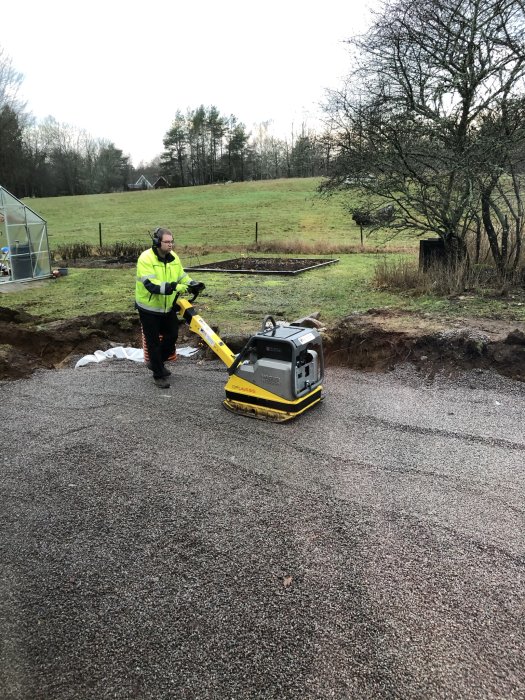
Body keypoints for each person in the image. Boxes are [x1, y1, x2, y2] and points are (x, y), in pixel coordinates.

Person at [135, 227, 193, 388]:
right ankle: (158, 375)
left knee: (172, 336)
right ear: (157, 242)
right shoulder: (146, 258)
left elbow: (182, 276)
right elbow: (151, 285)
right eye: (167, 242)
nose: (170, 245)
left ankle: (156, 363)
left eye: (172, 241)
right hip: (148, 308)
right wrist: (175, 287)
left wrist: (192, 283)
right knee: (152, 342)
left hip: (167, 307)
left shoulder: (173, 257)